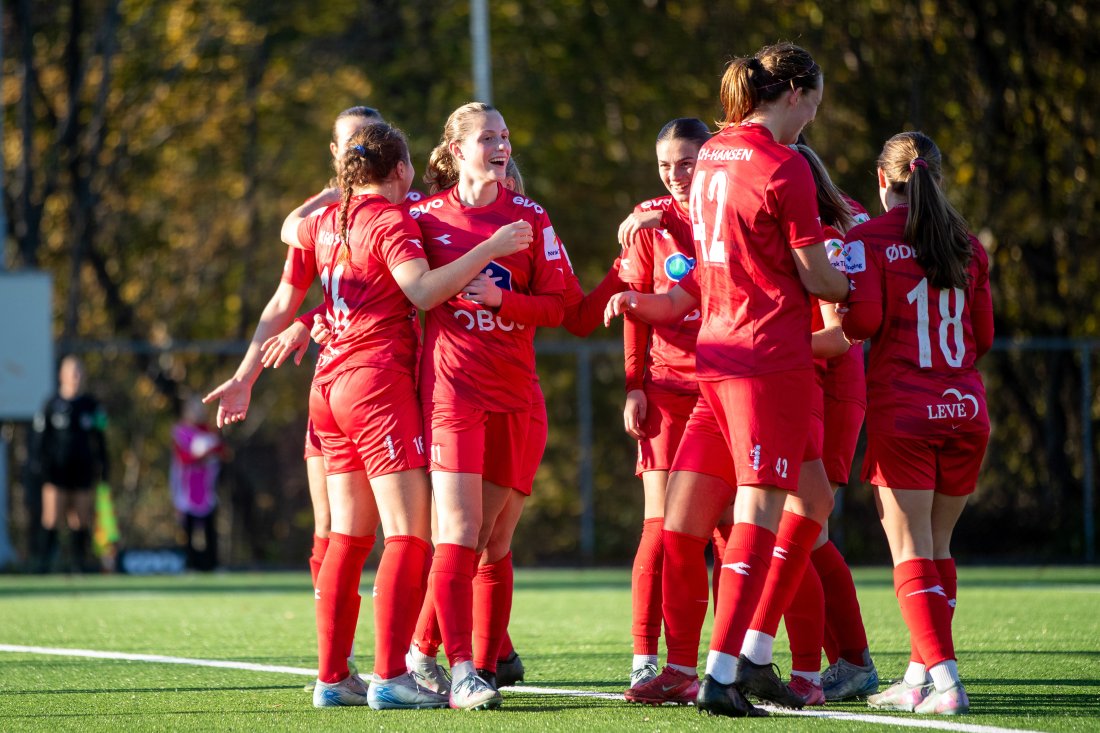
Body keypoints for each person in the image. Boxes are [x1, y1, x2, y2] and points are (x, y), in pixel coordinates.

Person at [604, 42, 848, 717]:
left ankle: (734, 659)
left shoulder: (712, 153)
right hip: (766, 359)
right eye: (815, 103)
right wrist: (853, 286)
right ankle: (721, 671)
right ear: (795, 93)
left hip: (714, 354)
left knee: (790, 504)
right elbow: (817, 275)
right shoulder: (783, 163)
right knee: (761, 513)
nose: (813, 119)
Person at [281, 120, 532, 710]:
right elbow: (421, 291)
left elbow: (292, 228)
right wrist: (490, 249)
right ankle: (392, 675)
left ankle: (333, 677)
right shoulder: (389, 218)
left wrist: (302, 321)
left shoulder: (328, 219)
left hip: (329, 384)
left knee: (347, 534)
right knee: (411, 534)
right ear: (398, 171)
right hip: (375, 382)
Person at [204, 105, 385, 686]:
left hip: (388, 383)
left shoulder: (394, 207)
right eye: (346, 141)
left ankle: (416, 656)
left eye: (366, 139)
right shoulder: (321, 216)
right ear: (333, 152)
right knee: (331, 530)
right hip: (334, 389)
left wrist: (310, 320)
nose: (356, 149)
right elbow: (281, 302)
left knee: (407, 531)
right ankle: (338, 663)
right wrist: (246, 374)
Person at [404, 102, 564, 711]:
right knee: (461, 532)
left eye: (505, 136)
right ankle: (465, 669)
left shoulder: (530, 217)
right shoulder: (422, 217)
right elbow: (389, 279)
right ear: (455, 150)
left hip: (515, 395)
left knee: (490, 540)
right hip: (451, 395)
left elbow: (562, 305)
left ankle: (422, 651)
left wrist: (504, 301)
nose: (501, 146)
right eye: (488, 138)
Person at [843, 131, 992, 716]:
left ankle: (947, 681)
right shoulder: (968, 245)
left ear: (884, 180)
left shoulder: (868, 237)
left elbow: (863, 322)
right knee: (937, 548)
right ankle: (918, 677)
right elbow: (983, 338)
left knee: (910, 551)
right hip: (965, 409)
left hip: (903, 408)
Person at [616, 118, 709, 692]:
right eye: (664, 166)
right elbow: (635, 308)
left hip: (727, 386)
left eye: (686, 163)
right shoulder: (646, 223)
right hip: (669, 392)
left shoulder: (729, 205)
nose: (675, 176)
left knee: (727, 532)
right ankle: (646, 657)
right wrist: (634, 384)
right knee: (660, 526)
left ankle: (734, 654)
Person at [29, 355, 108, 573]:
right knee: (51, 518)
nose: (77, 376)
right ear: (61, 375)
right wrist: (39, 466)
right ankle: (42, 565)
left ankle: (78, 565)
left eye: (80, 371)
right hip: (56, 471)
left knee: (81, 520)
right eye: (72, 371)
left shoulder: (91, 405)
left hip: (83, 469)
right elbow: (39, 440)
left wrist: (104, 467)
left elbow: (100, 439)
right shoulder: (51, 404)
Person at [170, 396, 225, 571]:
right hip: (186, 489)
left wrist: (211, 452)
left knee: (209, 529)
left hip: (206, 488)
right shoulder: (180, 432)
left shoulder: (208, 432)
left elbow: (221, 451)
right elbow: (184, 458)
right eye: (193, 409)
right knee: (189, 530)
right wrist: (203, 455)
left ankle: (212, 564)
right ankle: (191, 564)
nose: (197, 413)